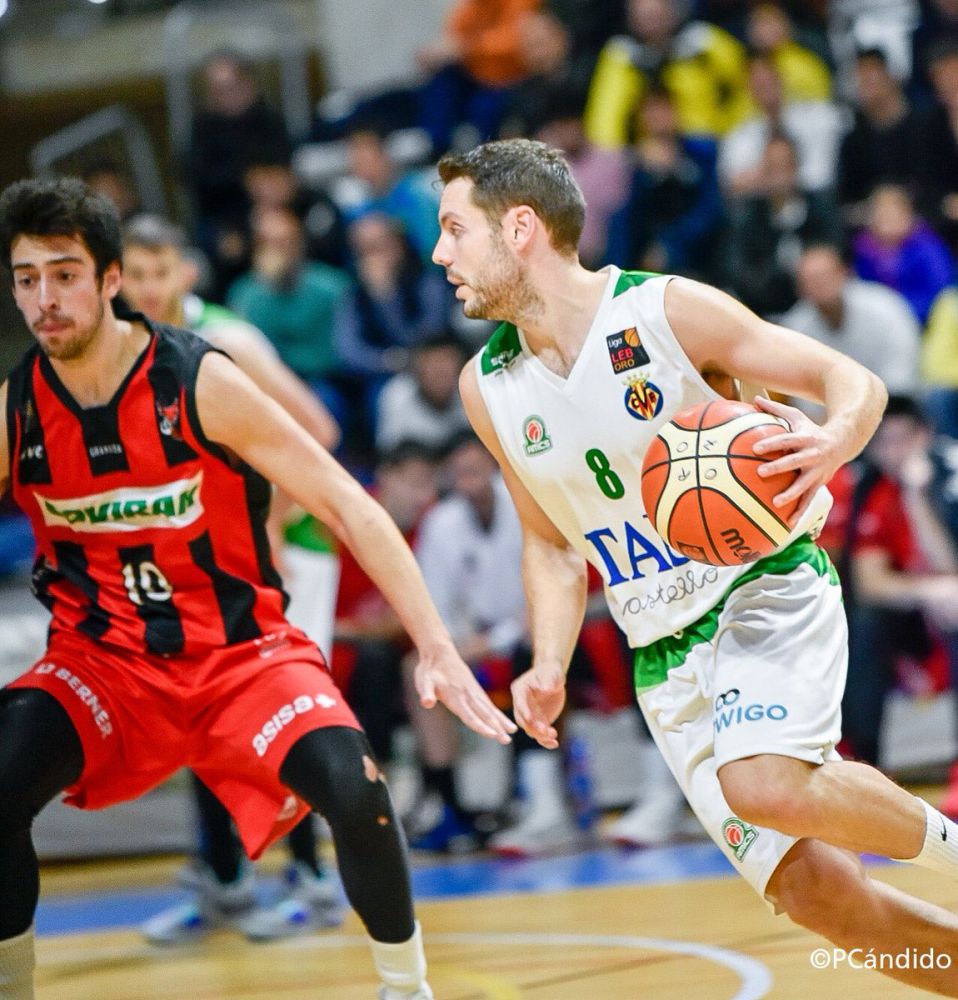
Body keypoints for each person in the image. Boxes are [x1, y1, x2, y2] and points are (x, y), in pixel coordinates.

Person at [433, 138, 958, 995]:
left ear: (518, 227)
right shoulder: (486, 386)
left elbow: (844, 376)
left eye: (455, 230)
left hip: (762, 587)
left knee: (764, 780)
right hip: (662, 652)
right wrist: (549, 664)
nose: (440, 252)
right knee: (826, 901)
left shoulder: (664, 312)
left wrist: (832, 442)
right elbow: (551, 542)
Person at [0, 176, 515, 1000]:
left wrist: (438, 647)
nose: (44, 298)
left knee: (357, 789)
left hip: (238, 658)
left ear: (110, 281)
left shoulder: (201, 379)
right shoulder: (17, 408)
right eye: (27, 279)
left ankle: (406, 988)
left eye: (64, 275)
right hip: (107, 670)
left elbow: (350, 502)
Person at [120, 213, 346, 942]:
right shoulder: (126, 353)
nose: (148, 288)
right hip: (210, 561)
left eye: (160, 272)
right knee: (200, 714)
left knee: (287, 713)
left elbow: (320, 428)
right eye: (136, 274)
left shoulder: (232, 341)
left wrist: (269, 527)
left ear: (186, 273)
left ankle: (314, 881)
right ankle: (225, 882)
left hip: (290, 549)